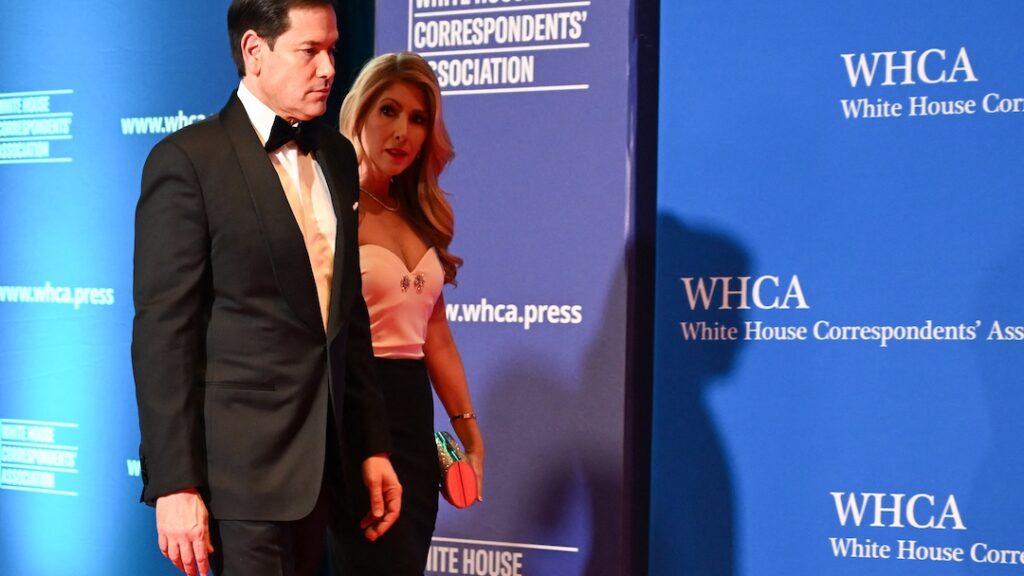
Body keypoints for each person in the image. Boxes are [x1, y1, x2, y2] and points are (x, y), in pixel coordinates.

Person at [131, 2, 401, 575]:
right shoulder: (188, 161)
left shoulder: (336, 156)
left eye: (332, 48)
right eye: (310, 51)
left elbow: (345, 319)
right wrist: (175, 484)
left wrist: (371, 444)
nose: (330, 68)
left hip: (326, 474)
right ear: (255, 51)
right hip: (238, 486)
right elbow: (163, 335)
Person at [332, 52, 485, 575]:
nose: (402, 131)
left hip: (415, 421)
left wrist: (467, 427)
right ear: (360, 113)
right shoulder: (332, 208)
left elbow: (435, 335)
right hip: (355, 413)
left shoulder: (422, 214)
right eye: (388, 111)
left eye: (418, 118)